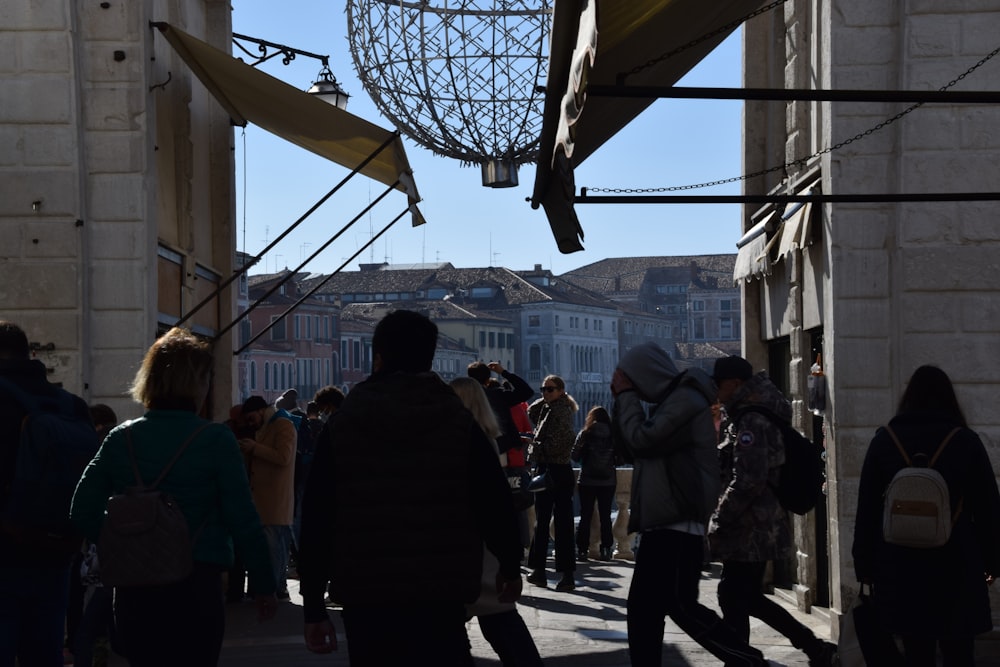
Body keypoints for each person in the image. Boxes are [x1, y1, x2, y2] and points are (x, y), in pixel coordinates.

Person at [297, 309, 522, 666]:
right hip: (440, 591)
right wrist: (510, 566)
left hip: (366, 592)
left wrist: (312, 605)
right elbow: (493, 503)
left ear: (378, 357)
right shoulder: (459, 422)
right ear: (430, 358)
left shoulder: (343, 424)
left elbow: (318, 516)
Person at [70, 327, 277, 667]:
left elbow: (82, 510)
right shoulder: (216, 440)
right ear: (198, 383)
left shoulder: (121, 438)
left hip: (135, 587)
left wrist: (122, 541)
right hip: (196, 584)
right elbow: (243, 519)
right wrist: (264, 584)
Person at [611, 342, 769, 667]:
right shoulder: (678, 400)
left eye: (631, 380)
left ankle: (749, 659)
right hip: (671, 520)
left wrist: (626, 396)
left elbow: (642, 440)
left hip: (675, 521)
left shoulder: (685, 400)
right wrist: (624, 400)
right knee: (659, 608)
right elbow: (631, 448)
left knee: (668, 607)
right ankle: (748, 659)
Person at [852, 365, 1000, 667]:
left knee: (916, 651)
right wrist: (992, 562)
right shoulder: (965, 441)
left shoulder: (885, 440)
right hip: (956, 562)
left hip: (899, 564)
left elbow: (867, 508)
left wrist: (864, 564)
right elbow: (988, 507)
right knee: (959, 653)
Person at [707, 355, 837, 666]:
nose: (715, 390)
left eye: (718, 383)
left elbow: (749, 480)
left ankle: (804, 649)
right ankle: (753, 656)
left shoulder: (752, 420)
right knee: (739, 595)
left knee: (737, 594)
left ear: (735, 384)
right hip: (754, 523)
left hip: (753, 525)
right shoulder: (746, 414)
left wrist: (719, 518)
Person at [0, 321, 94, 667]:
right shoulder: (72, 407)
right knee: (45, 654)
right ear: (30, 354)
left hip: (5, 553)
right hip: (56, 554)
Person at [450, 377, 543, 667]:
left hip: (473, 549)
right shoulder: (489, 438)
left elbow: (490, 503)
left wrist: (508, 565)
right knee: (499, 622)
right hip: (484, 550)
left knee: (495, 623)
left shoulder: (466, 441)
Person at [238, 393, 297, 600]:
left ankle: (275, 590)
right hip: (264, 500)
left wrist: (255, 448)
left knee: (275, 550)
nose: (250, 423)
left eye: (251, 418)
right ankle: (271, 588)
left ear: (261, 411)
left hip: (275, 500)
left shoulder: (282, 424)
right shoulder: (266, 425)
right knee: (269, 549)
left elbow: (283, 457)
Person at [526, 374, 579, 592]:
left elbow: (561, 443)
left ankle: (564, 575)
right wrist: (546, 396)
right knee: (543, 521)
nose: (545, 392)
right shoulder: (549, 408)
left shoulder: (561, 412)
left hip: (555, 469)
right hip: (550, 469)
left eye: (550, 389)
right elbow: (531, 411)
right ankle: (539, 571)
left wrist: (534, 446)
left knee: (561, 523)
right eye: (542, 389)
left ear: (561, 391)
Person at [571, 405, 617, 562]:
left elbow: (574, 456)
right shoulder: (614, 435)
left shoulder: (585, 433)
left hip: (587, 480)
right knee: (605, 516)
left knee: (585, 515)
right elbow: (622, 458)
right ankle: (606, 549)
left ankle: (582, 550)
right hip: (608, 481)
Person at [467, 361, 534, 455]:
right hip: (499, 446)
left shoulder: (463, 398)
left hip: (471, 448)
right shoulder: (498, 396)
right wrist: (503, 372)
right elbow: (527, 392)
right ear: (487, 380)